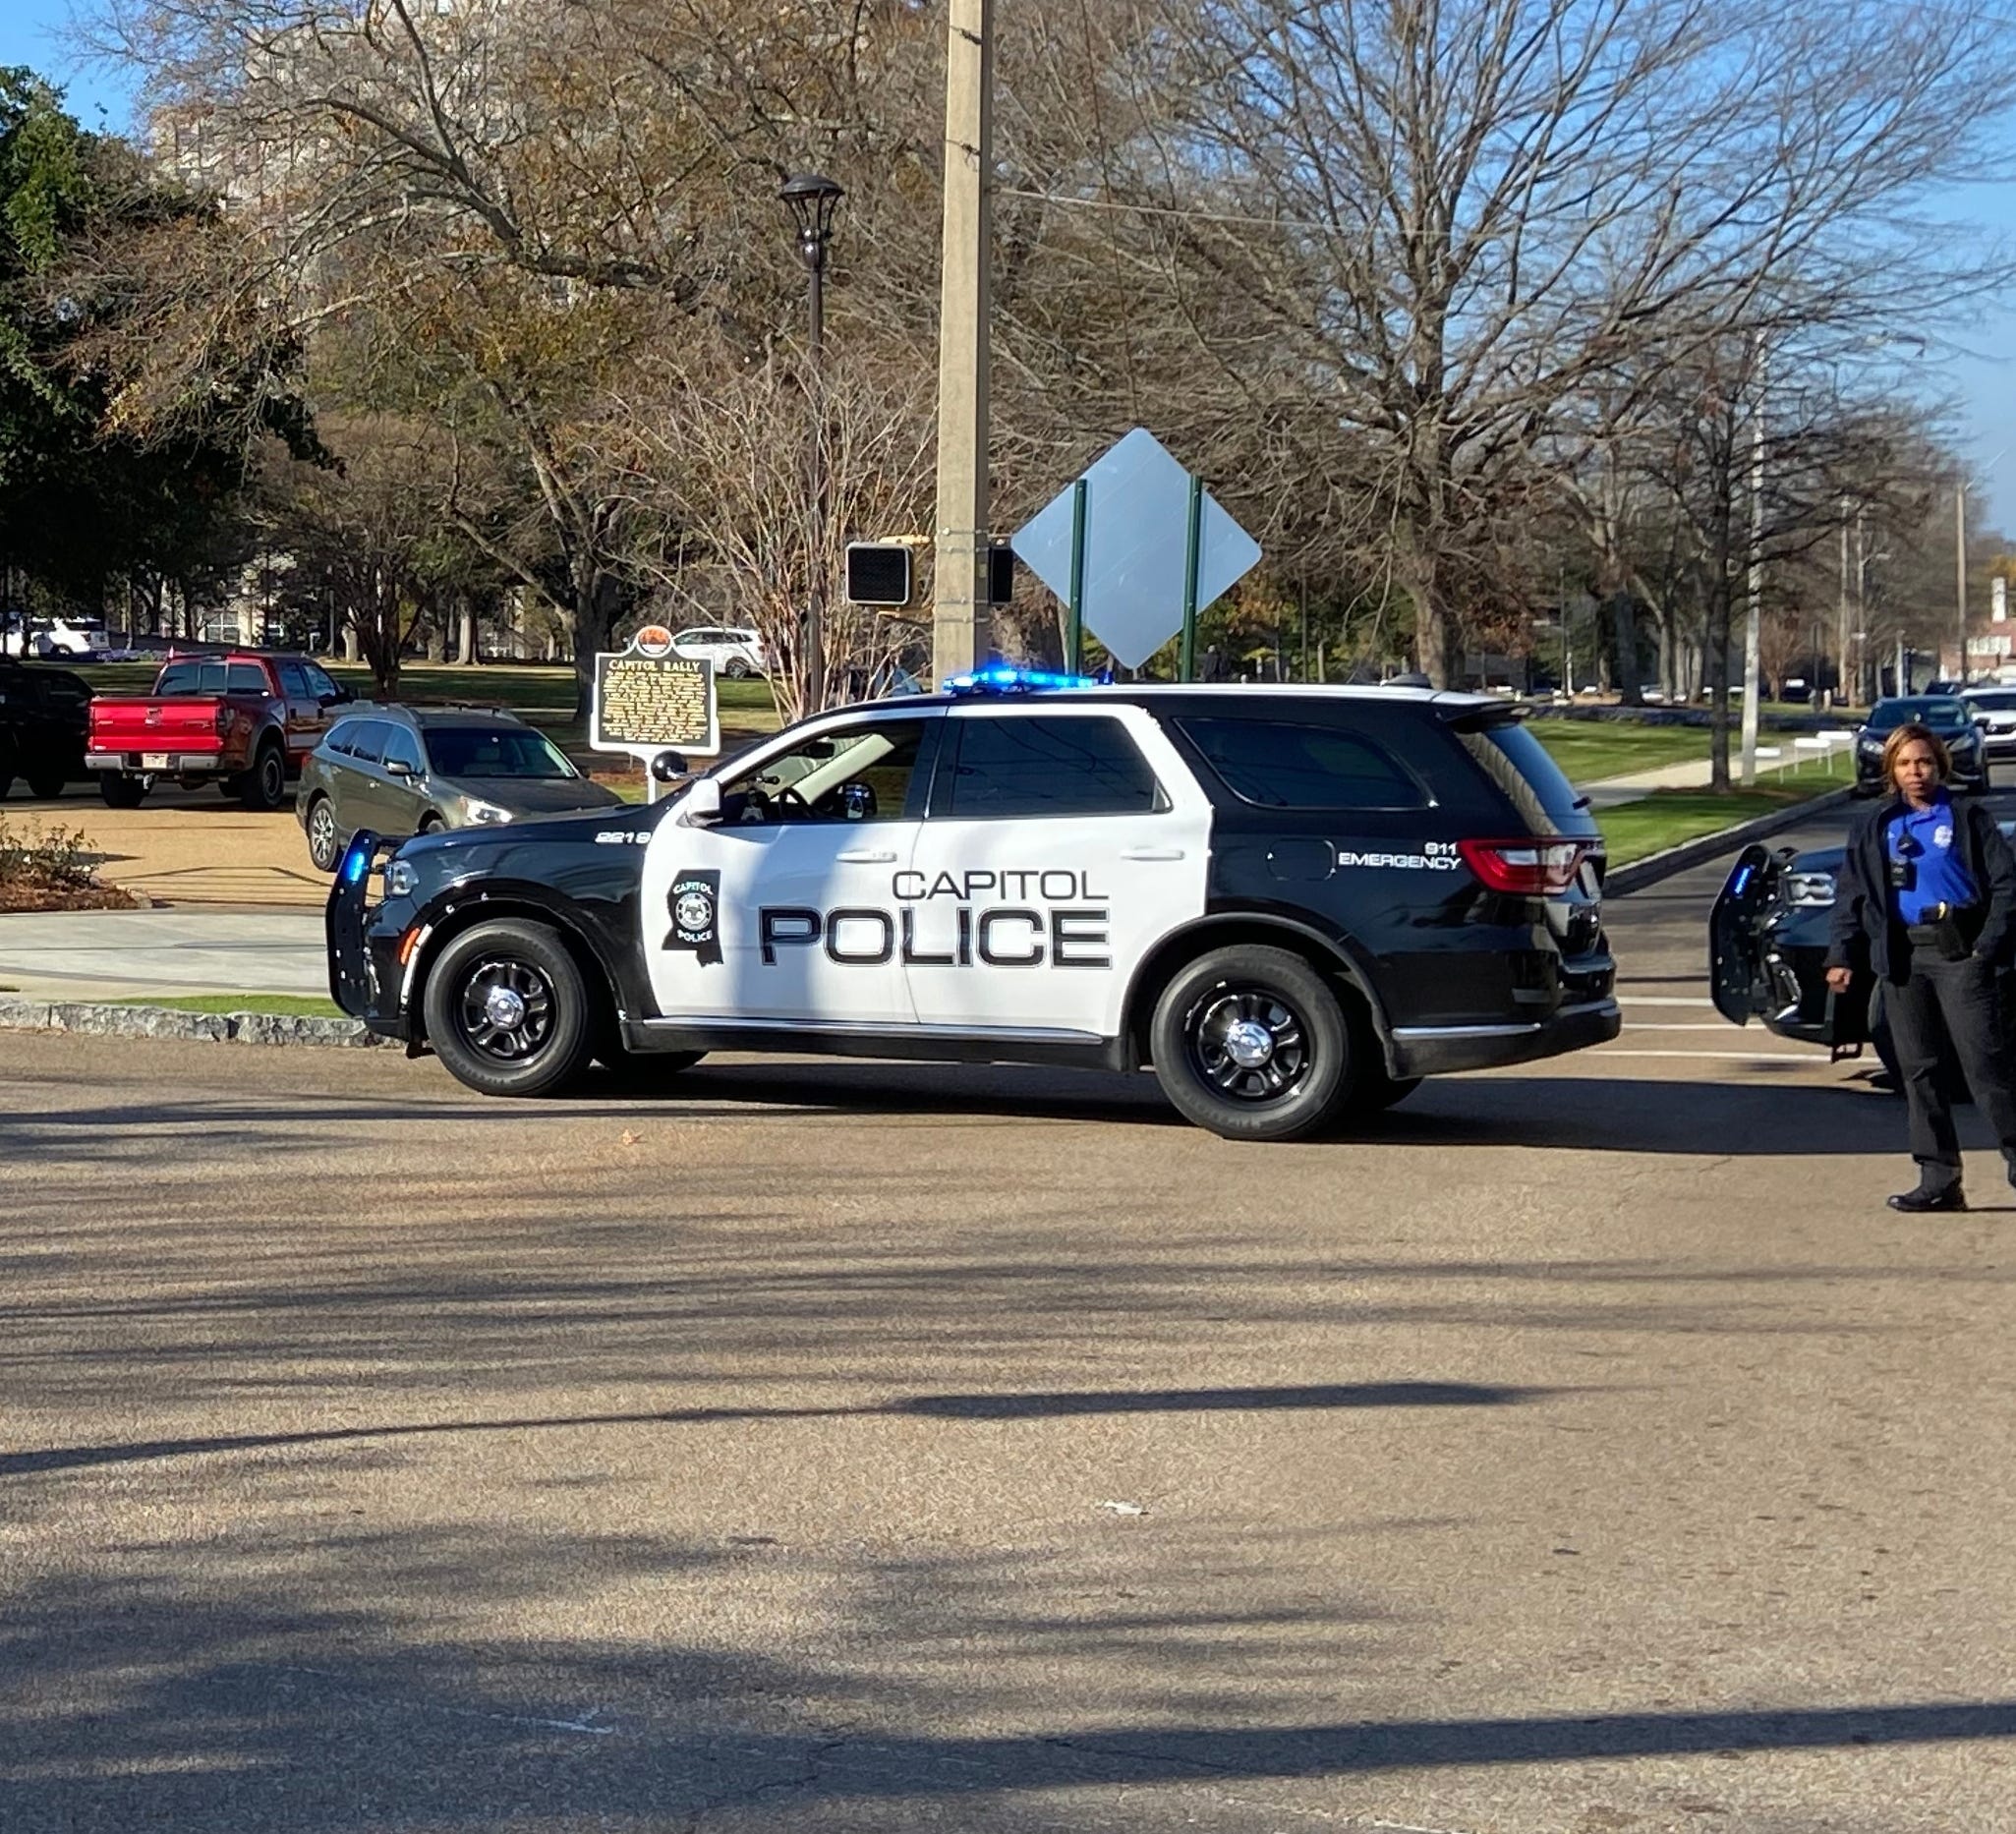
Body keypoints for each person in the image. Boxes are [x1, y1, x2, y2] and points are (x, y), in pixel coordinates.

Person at [1824, 721, 2016, 1211]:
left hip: (1960, 954)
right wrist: (1841, 955)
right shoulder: (1876, 824)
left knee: (1985, 1066)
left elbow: (2006, 887)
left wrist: (1986, 948)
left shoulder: (1969, 818)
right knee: (1919, 1069)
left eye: (1924, 762)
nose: (1916, 772)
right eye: (1906, 763)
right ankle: (1939, 1178)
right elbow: (1853, 892)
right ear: (1891, 768)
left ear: (1940, 766)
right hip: (1902, 958)